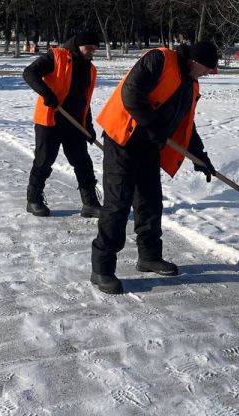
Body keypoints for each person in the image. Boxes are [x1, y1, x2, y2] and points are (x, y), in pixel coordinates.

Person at [89, 42, 220, 295]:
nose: (208, 73)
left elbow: (186, 125)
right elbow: (131, 94)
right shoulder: (159, 60)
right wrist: (153, 127)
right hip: (122, 139)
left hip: (149, 145)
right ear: (194, 61)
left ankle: (148, 257)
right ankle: (101, 269)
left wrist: (200, 157)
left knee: (150, 202)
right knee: (117, 204)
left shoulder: (190, 83)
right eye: (207, 68)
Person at [22, 29, 102, 218]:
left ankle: (90, 203)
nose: (91, 52)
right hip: (50, 119)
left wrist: (88, 127)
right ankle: (33, 199)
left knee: (83, 162)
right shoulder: (56, 56)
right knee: (44, 161)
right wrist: (47, 93)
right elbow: (29, 73)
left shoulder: (90, 69)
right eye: (88, 48)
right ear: (77, 45)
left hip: (73, 123)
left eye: (94, 49)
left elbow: (85, 101)